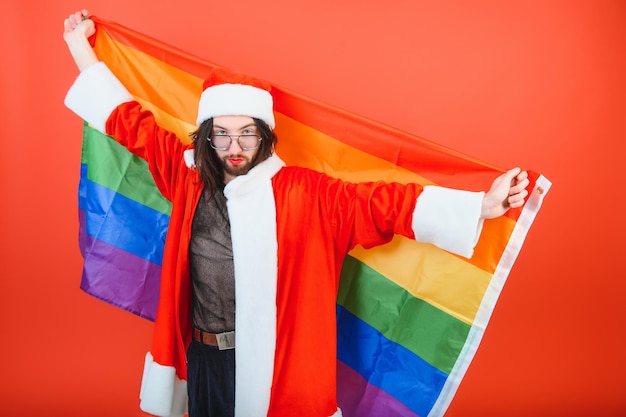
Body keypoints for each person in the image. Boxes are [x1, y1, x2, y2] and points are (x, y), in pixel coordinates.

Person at [63, 9, 530, 417]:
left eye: (247, 134)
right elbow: (130, 123)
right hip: (204, 360)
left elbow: (384, 204)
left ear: (264, 136)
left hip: (276, 371)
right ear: (206, 137)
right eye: (221, 135)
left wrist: (482, 206)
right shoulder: (186, 178)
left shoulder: (306, 194)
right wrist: (77, 46)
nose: (234, 148)